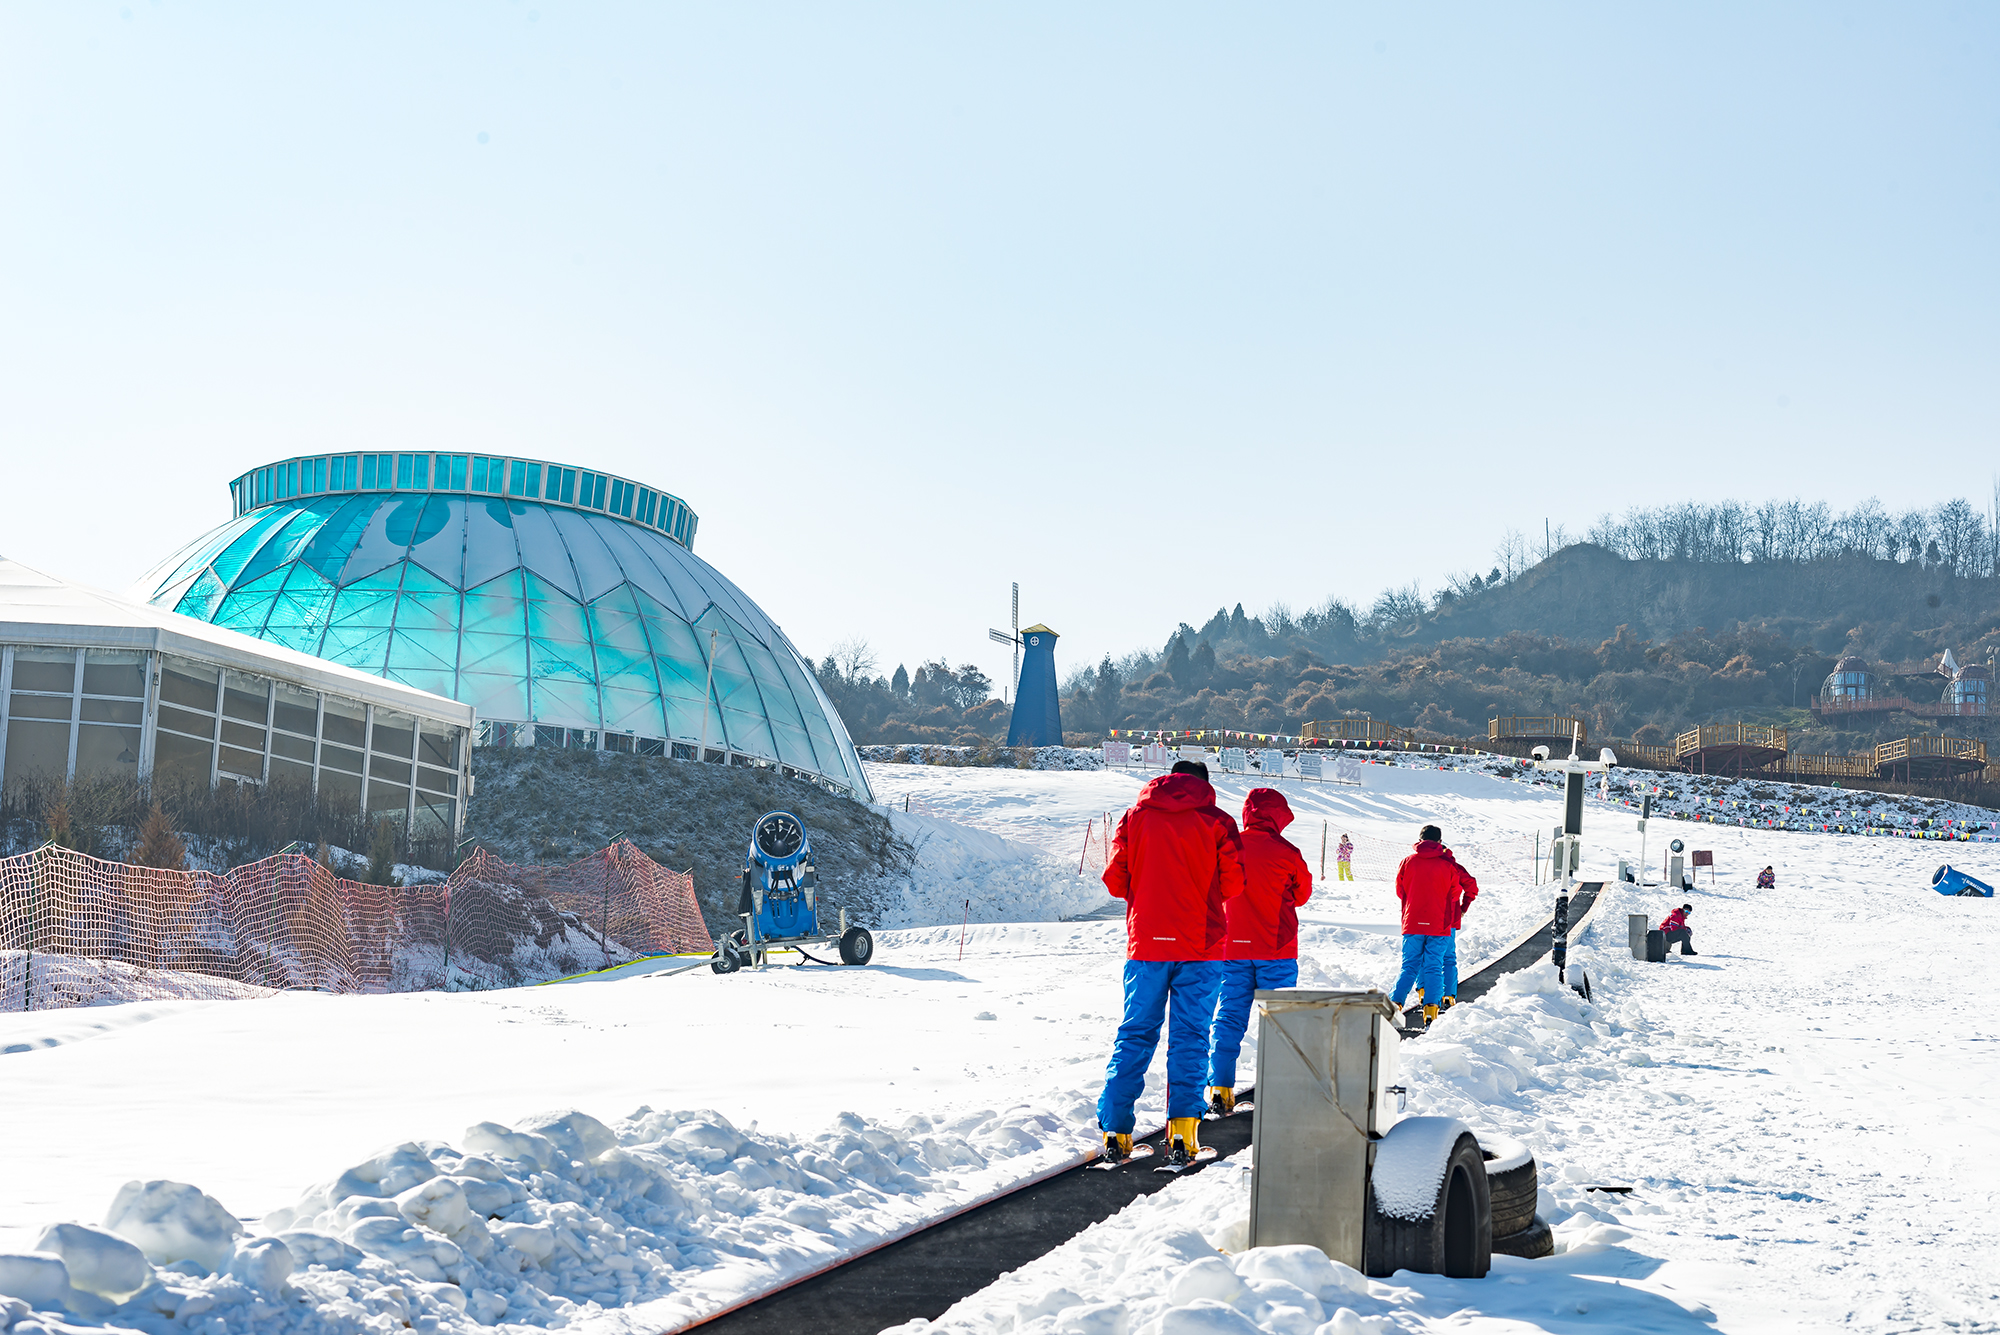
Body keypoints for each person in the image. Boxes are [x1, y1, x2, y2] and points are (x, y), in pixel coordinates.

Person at [1098, 759, 1246, 1167]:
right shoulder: (1218, 821)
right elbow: (1233, 883)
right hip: (1201, 945)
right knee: (1191, 1036)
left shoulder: (1135, 817)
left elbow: (1115, 880)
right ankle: (1182, 1134)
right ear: (1204, 784)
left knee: (1135, 1033)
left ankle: (1116, 1132)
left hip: (1146, 944)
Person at [1206, 788, 1313, 1116]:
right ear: (1278, 816)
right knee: (1279, 1020)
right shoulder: (1287, 851)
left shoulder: (1228, 845)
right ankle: (1278, 1089)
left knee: (1229, 1016)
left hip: (1232, 947)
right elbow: (1303, 893)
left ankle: (1220, 1087)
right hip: (1276, 948)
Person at [1391, 824, 1478, 1027]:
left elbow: (1400, 890)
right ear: (1439, 842)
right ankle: (1431, 1009)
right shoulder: (1447, 865)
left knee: (1409, 966)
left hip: (1412, 922)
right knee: (1434, 965)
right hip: (1439, 923)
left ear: (1420, 840)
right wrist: (1459, 908)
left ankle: (1395, 1004)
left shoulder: (1407, 862)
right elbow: (1454, 892)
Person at [1438, 853, 1480, 1011]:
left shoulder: (1422, 863)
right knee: (1448, 958)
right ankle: (1449, 995)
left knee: (1428, 957)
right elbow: (1472, 886)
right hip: (1451, 918)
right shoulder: (1454, 866)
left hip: (1430, 918)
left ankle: (1427, 994)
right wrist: (1463, 907)